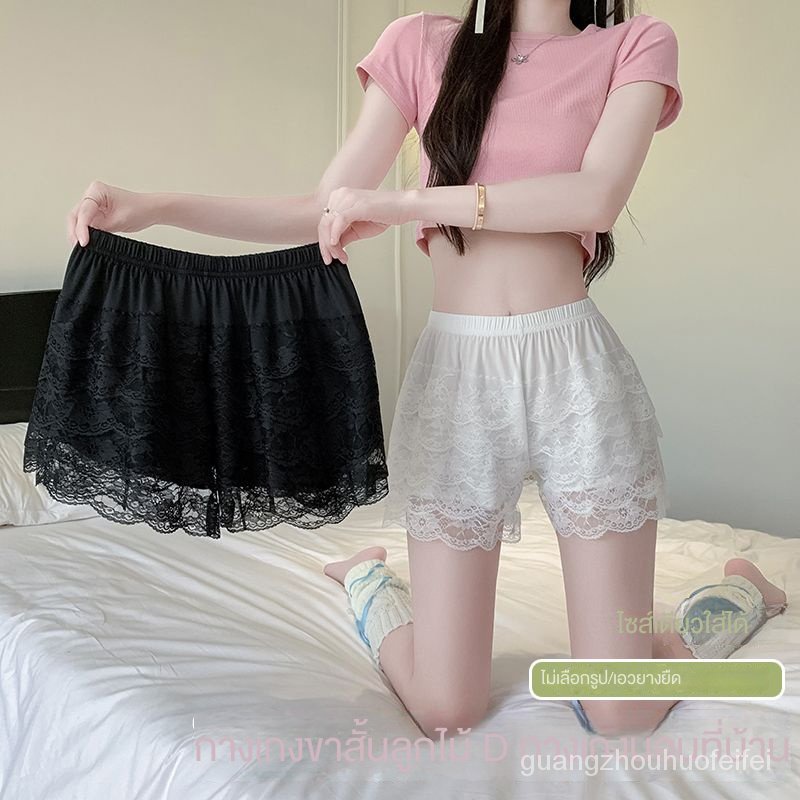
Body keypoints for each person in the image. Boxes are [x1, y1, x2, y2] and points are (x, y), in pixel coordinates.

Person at [68, 0, 788, 739]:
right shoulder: (419, 43)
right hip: (457, 379)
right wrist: (152, 206)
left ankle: (743, 592)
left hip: (575, 372)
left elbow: (595, 197)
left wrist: (412, 201)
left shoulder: (636, 44)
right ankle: (367, 577)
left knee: (621, 710)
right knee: (447, 709)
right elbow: (321, 209)